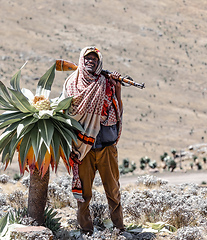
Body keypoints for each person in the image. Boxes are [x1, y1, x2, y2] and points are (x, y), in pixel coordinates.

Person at [62, 46, 124, 235]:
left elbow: (117, 110)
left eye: (94, 59)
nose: (90, 61)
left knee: (113, 190)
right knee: (84, 194)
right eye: (87, 58)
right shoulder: (72, 84)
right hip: (83, 149)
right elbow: (66, 112)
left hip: (106, 147)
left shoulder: (106, 83)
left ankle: (119, 228)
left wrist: (118, 87)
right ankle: (85, 230)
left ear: (99, 62)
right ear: (81, 60)